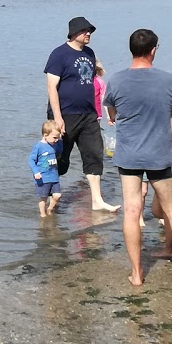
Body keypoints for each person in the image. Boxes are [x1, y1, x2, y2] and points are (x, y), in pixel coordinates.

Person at [103, 28, 172, 287]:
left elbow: (112, 115)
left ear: (131, 50)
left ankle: (137, 273)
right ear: (153, 50)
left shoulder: (115, 81)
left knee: (131, 211)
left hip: (129, 154)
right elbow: (171, 113)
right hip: (159, 153)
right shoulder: (168, 80)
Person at [43, 16, 117, 211]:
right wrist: (58, 118)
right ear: (74, 33)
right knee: (60, 160)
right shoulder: (59, 54)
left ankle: (96, 200)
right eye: (85, 31)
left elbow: (92, 83)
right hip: (65, 115)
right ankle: (49, 195)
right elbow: (51, 87)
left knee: (94, 153)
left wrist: (105, 109)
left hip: (88, 114)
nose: (88, 34)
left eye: (90, 31)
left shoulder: (90, 53)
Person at [30, 120, 64, 216]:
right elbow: (31, 160)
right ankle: (42, 214)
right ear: (45, 135)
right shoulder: (39, 146)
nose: (56, 139)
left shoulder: (55, 144)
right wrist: (36, 172)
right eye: (54, 137)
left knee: (57, 195)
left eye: (58, 137)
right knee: (43, 197)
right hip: (42, 177)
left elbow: (60, 150)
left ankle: (50, 209)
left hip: (54, 176)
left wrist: (60, 140)